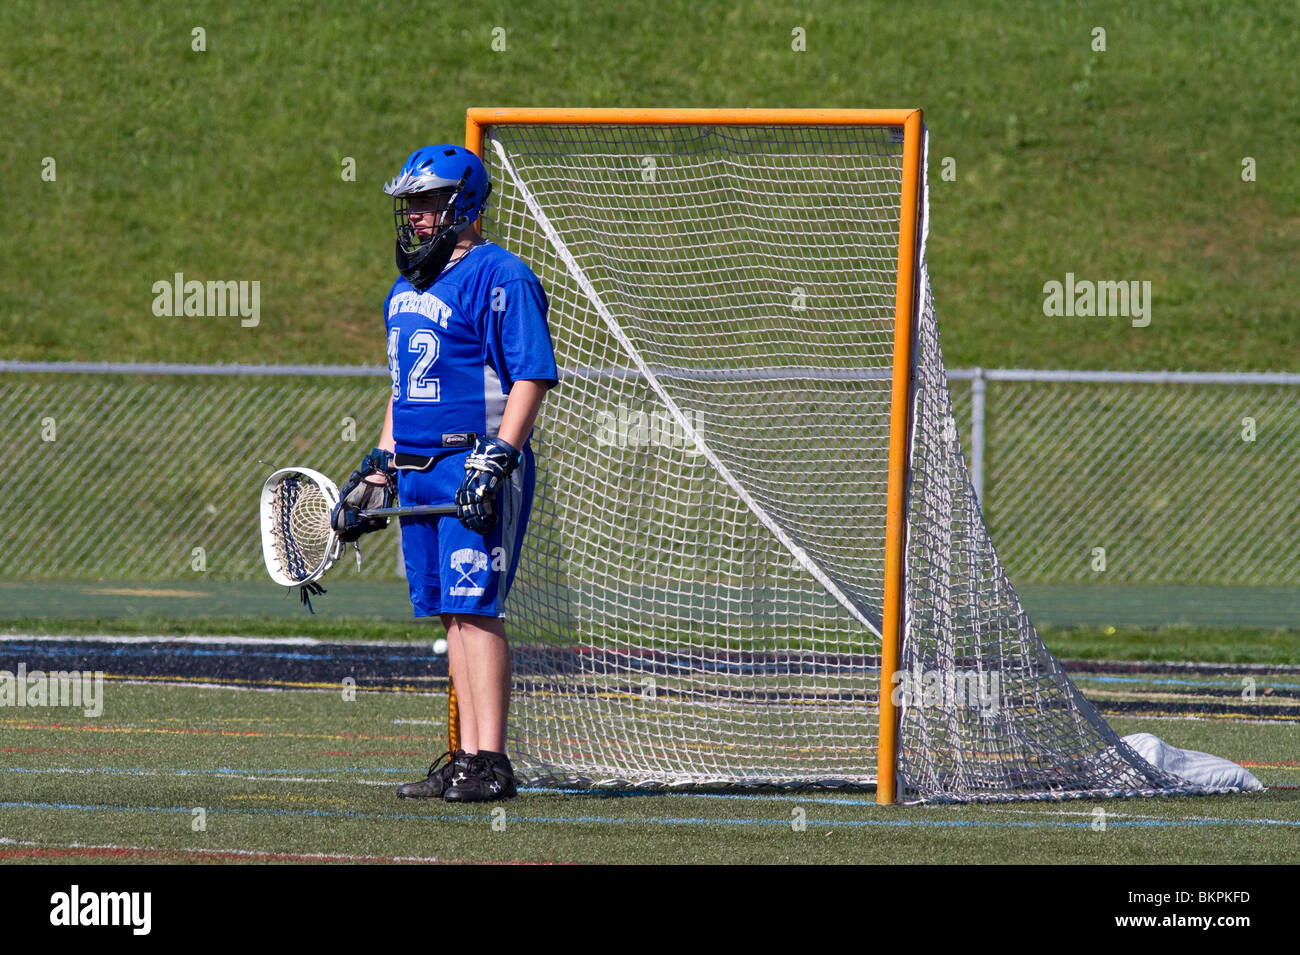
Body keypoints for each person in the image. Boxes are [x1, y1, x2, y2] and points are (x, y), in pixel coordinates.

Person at [333, 145, 557, 803]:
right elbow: (402, 392)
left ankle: (491, 759)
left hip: (474, 462)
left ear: (464, 202)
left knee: (475, 608)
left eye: (429, 202)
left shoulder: (501, 274)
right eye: (412, 205)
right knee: (446, 613)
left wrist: (499, 456)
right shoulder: (404, 290)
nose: (418, 216)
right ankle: (465, 755)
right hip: (419, 471)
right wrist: (378, 468)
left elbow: (531, 375)